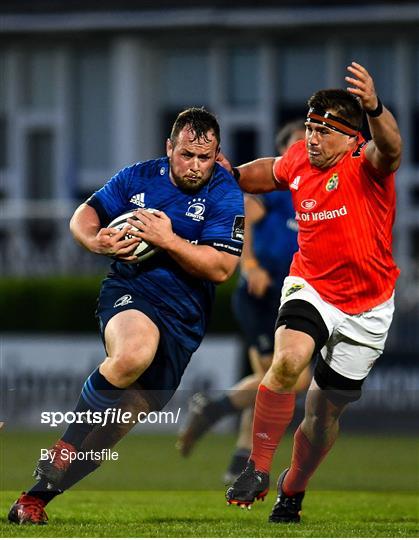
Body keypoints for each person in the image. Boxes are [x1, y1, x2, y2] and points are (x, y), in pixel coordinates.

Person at [8, 107, 244, 525]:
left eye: (204, 158)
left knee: (105, 438)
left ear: (216, 155)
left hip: (184, 322)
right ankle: (62, 447)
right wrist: (94, 241)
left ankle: (35, 499)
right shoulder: (138, 177)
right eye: (186, 154)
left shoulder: (224, 193)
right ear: (168, 148)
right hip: (131, 290)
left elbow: (221, 269)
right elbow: (85, 214)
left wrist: (167, 240)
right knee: (133, 353)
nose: (194, 166)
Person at [223, 62, 402, 523]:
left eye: (324, 131)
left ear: (350, 136)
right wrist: (230, 174)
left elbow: (392, 147)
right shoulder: (302, 157)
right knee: (285, 363)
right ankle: (256, 468)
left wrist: (376, 108)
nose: (313, 139)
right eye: (309, 127)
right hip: (312, 286)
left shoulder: (368, 164)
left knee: (321, 420)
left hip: (369, 307)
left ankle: (292, 487)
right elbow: (272, 169)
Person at [176, 120, 312, 484]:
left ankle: (232, 443)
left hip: (294, 297)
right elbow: (244, 213)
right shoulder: (277, 187)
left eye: (309, 142)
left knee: (278, 382)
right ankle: (237, 447)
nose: (306, 148)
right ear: (283, 152)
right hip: (260, 297)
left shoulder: (314, 189)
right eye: (298, 143)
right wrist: (249, 265)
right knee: (280, 379)